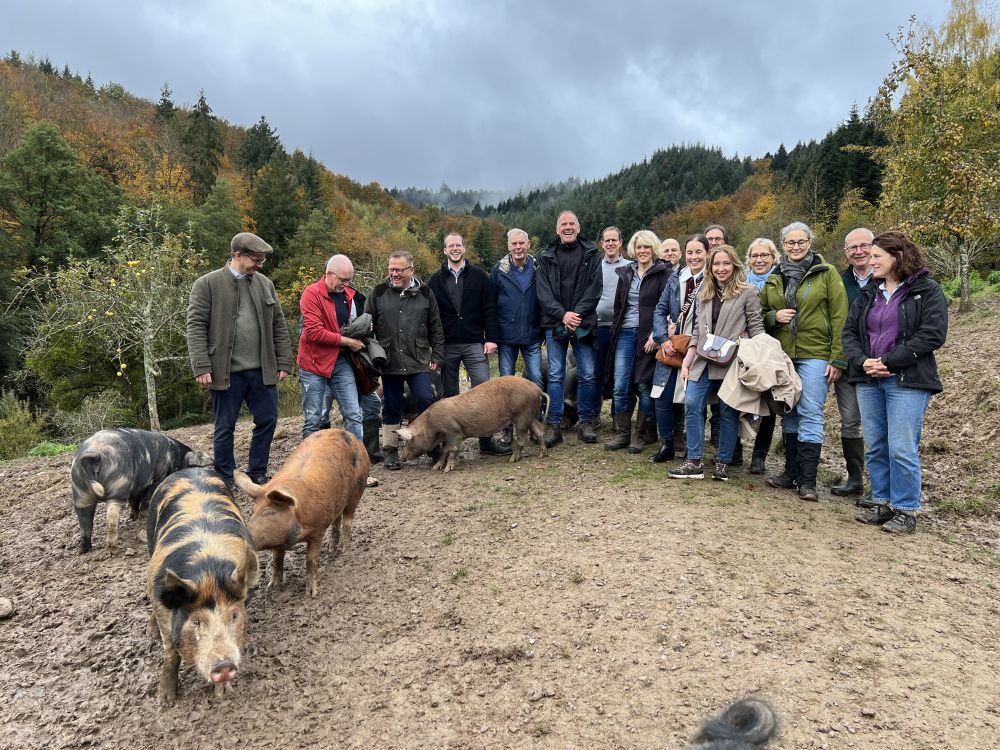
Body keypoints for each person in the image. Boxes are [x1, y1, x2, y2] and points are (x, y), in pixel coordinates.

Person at [844, 232, 947, 534]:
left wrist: (887, 361)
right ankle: (882, 501)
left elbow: (932, 335)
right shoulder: (868, 293)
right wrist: (863, 361)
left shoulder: (927, 291)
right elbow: (849, 333)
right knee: (876, 444)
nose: (870, 261)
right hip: (867, 378)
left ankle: (905, 509)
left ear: (898, 257)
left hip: (907, 380)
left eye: (877, 256)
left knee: (901, 446)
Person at [186, 232, 293, 487]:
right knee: (225, 427)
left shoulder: (264, 283)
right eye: (256, 259)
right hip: (225, 371)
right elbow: (196, 325)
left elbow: (278, 324)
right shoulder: (207, 284)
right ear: (237, 255)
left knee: (267, 420)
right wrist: (201, 365)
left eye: (262, 260)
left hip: (262, 370)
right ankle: (225, 476)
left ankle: (257, 471)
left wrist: (284, 360)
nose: (260, 264)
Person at [759, 222, 849, 501]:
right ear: (783, 245)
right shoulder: (775, 277)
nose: (795, 247)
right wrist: (774, 318)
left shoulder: (826, 273)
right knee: (789, 410)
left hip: (816, 353)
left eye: (801, 242)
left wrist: (837, 357)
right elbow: (759, 314)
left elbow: (840, 316)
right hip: (784, 355)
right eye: (790, 243)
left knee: (810, 411)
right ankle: (790, 473)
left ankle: (808, 481)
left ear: (810, 242)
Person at [669, 245, 764, 481]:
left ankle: (723, 463)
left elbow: (758, 330)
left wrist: (749, 346)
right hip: (702, 360)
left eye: (726, 263)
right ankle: (694, 461)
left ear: (735, 265)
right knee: (692, 403)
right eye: (716, 264)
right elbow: (696, 333)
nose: (721, 269)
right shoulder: (704, 292)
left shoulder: (748, 292)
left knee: (727, 412)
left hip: (731, 362)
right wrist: (687, 362)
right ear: (710, 267)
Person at [428, 233, 509, 456]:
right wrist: (434, 348)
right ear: (444, 250)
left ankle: (486, 441)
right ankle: (451, 445)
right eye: (450, 246)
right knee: (450, 395)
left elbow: (490, 309)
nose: (455, 249)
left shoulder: (480, 276)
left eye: (458, 245)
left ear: (464, 248)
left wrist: (492, 338)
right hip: (447, 345)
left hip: (475, 342)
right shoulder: (435, 280)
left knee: (484, 389)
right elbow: (430, 316)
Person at [369, 250, 445, 469]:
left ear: (410, 270)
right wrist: (371, 359)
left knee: (425, 400)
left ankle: (431, 445)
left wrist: (437, 355)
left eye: (398, 270)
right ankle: (390, 450)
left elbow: (436, 328)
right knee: (391, 405)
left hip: (418, 358)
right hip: (389, 360)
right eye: (391, 269)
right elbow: (368, 327)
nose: (394, 274)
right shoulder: (379, 292)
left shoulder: (425, 293)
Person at [536, 210, 603, 446]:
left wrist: (576, 315)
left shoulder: (592, 254)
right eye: (563, 224)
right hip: (555, 323)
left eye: (571, 224)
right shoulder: (545, 256)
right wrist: (563, 315)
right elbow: (543, 293)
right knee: (555, 375)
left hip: (583, 323)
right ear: (557, 229)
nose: (567, 227)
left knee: (587, 374)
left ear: (578, 227)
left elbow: (595, 289)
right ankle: (553, 425)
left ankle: (586, 422)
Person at [603, 230, 671, 452]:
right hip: (624, 334)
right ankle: (622, 433)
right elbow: (618, 308)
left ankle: (640, 435)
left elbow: (667, 308)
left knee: (644, 386)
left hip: (649, 337)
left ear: (653, 249)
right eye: (639, 247)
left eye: (647, 247)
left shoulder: (664, 274)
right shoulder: (626, 273)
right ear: (633, 249)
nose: (642, 251)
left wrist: (656, 335)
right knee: (620, 386)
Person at [650, 234, 710, 463]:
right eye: (691, 252)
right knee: (662, 397)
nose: (694, 257)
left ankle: (692, 448)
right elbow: (659, 310)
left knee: (695, 400)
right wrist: (663, 338)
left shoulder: (713, 280)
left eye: (699, 252)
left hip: (698, 348)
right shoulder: (676, 278)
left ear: (707, 254)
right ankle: (667, 444)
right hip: (672, 346)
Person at [297, 254, 366, 441]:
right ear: (329, 274)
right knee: (313, 418)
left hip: (340, 361)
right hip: (313, 364)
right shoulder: (311, 294)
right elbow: (314, 332)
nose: (346, 283)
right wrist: (348, 342)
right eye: (343, 279)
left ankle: (356, 463)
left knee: (353, 413)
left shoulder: (349, 295)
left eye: (349, 279)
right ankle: (310, 467)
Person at [831, 227, 876, 498]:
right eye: (852, 248)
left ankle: (881, 486)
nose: (859, 251)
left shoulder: (888, 278)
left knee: (876, 426)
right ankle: (855, 478)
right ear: (846, 252)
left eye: (864, 245)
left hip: (881, 363)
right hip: (848, 363)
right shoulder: (840, 281)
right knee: (850, 422)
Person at [491, 228, 543, 443]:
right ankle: (507, 428)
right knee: (506, 384)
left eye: (522, 243)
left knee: (536, 379)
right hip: (506, 335)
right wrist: (492, 334)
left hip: (532, 334)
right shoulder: (499, 270)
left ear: (528, 244)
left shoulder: (539, 267)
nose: (518, 247)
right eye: (514, 244)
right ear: (508, 246)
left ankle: (535, 423)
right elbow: (491, 303)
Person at [744, 238, 781, 474]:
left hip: (773, 345)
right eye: (754, 256)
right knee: (740, 397)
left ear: (773, 257)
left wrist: (772, 318)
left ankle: (759, 456)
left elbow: (783, 314)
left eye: (764, 255)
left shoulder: (781, 281)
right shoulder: (742, 282)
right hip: (746, 347)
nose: (759, 260)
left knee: (768, 402)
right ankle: (735, 450)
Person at [593, 226, 630, 427]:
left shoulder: (630, 267)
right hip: (599, 328)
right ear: (602, 244)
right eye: (607, 240)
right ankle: (595, 415)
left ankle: (618, 417)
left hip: (622, 329)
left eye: (614, 240)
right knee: (597, 372)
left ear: (620, 242)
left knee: (619, 374)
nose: (610, 243)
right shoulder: (596, 267)